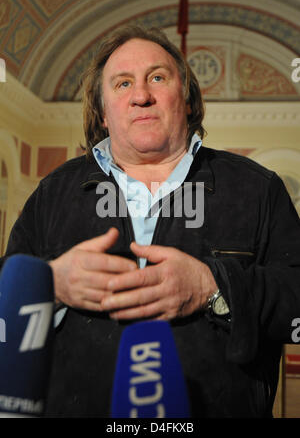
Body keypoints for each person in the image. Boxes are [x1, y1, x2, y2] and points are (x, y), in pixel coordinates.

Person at [1, 25, 300, 418]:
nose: (141, 96)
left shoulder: (258, 189)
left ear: (188, 100)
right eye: (122, 84)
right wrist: (52, 284)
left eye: (157, 78)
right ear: (103, 113)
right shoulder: (52, 194)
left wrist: (214, 286)